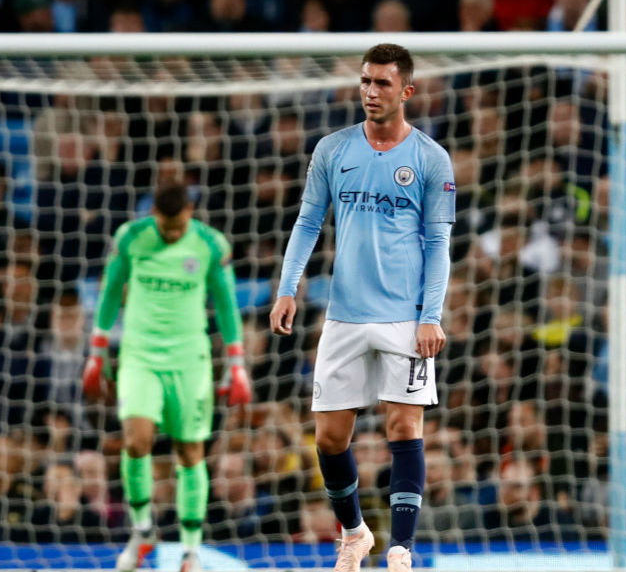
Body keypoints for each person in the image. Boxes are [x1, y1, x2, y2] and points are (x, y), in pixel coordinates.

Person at [270, 43, 456, 572]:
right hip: (344, 315)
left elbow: (438, 243)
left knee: (404, 427)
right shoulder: (333, 149)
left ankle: (401, 548)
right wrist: (289, 287)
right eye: (365, 82)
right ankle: (355, 533)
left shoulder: (430, 159)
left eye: (382, 84)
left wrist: (431, 315)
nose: (371, 92)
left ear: (407, 92)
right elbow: (308, 223)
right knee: (329, 438)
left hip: (404, 316)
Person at [82, 181, 252, 572]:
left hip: (189, 360)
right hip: (140, 355)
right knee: (135, 440)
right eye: (165, 225)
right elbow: (110, 292)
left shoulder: (210, 244)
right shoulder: (132, 238)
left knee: (190, 453)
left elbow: (226, 306)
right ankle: (142, 530)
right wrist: (96, 352)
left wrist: (237, 363)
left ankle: (191, 550)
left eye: (177, 226)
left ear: (189, 213)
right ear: (154, 213)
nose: (172, 233)